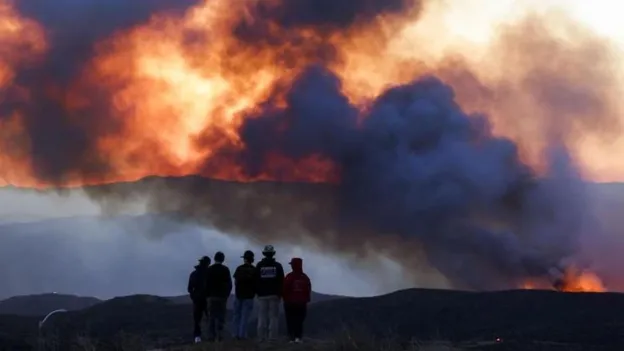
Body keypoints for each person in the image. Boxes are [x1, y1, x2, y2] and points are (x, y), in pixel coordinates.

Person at [255, 245, 284, 341]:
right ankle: (272, 338)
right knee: (274, 317)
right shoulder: (278, 266)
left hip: (262, 295)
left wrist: (258, 292)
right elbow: (281, 281)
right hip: (274, 295)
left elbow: (256, 280)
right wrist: (280, 294)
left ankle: (261, 337)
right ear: (273, 254)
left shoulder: (259, 265)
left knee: (262, 316)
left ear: (264, 254)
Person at [283, 257, 312, 343]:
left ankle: (291, 337)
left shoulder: (289, 276)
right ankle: (298, 337)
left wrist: (285, 299)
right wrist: (306, 299)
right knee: (299, 321)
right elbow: (308, 290)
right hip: (301, 303)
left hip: (290, 303)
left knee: (290, 320)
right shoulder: (305, 277)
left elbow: (284, 289)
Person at [205, 251, 232, 342]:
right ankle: (220, 336)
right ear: (222, 259)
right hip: (221, 297)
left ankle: (211, 337)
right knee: (221, 317)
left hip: (211, 297)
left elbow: (206, 284)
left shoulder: (209, 269)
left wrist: (207, 295)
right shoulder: (225, 270)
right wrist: (226, 295)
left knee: (211, 317)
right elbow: (229, 284)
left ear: (214, 258)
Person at [232, 250, 256, 340]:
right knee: (245, 317)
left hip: (239, 295)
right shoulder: (254, 270)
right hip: (249, 296)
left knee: (236, 315)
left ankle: (235, 334)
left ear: (245, 259)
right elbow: (256, 283)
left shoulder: (239, 268)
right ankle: (242, 335)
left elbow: (236, 281)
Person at [187, 256, 211, 343]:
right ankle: (211, 336)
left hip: (197, 299)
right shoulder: (209, 274)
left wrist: (193, 296)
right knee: (210, 317)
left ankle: (197, 337)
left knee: (197, 319)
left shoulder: (194, 274)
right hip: (208, 299)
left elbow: (189, 288)